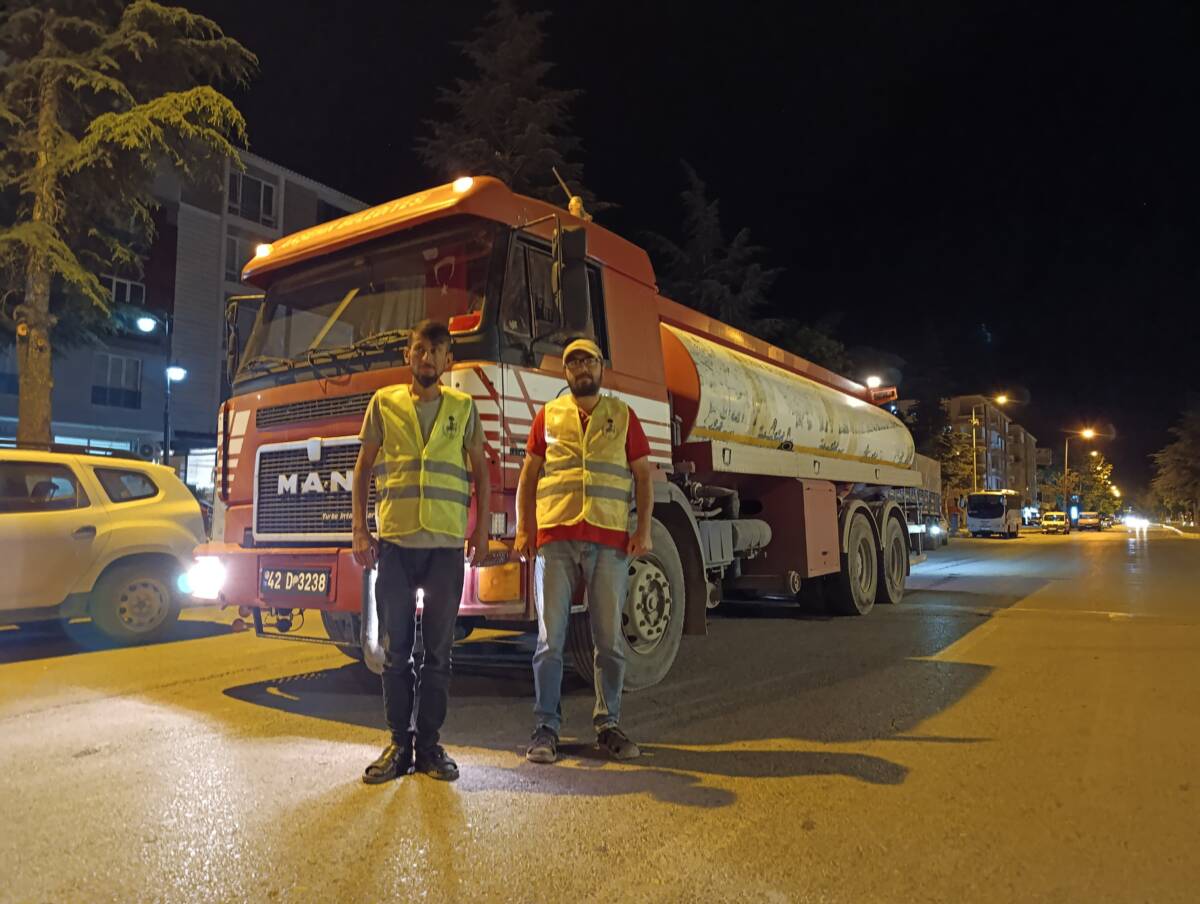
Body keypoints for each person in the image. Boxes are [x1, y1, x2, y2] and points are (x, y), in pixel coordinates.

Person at [352, 319, 490, 784]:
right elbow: (363, 467)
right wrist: (359, 529)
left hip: (446, 547)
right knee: (396, 652)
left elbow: (481, 474)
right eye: (419, 349)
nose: (427, 357)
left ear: (449, 360)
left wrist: (483, 531)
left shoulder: (464, 407)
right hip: (395, 542)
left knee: (439, 654)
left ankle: (429, 747)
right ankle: (398, 744)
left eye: (436, 350)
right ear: (407, 356)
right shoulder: (383, 403)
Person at [514, 337, 655, 764]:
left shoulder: (622, 415)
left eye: (588, 361)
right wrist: (525, 528)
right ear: (565, 372)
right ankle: (546, 728)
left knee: (609, 643)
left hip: (609, 541)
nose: (581, 368)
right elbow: (529, 476)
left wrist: (643, 528)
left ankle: (608, 724)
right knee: (548, 642)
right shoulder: (548, 417)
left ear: (601, 368)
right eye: (573, 362)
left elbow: (643, 477)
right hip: (555, 541)